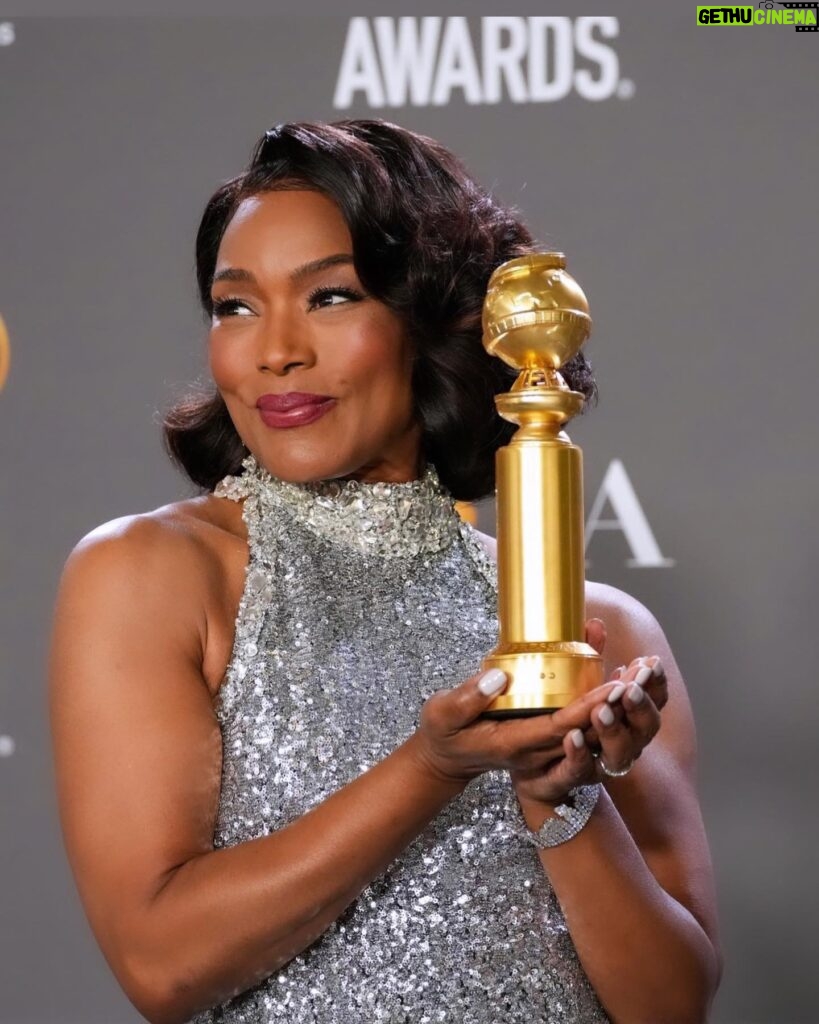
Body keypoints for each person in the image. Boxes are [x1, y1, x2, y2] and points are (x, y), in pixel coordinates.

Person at [48, 119, 721, 1024]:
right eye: (235, 306)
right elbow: (161, 964)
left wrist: (560, 798)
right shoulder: (153, 575)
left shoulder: (597, 630)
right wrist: (431, 768)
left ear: (427, 318)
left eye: (329, 297)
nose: (275, 349)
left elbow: (671, 1007)